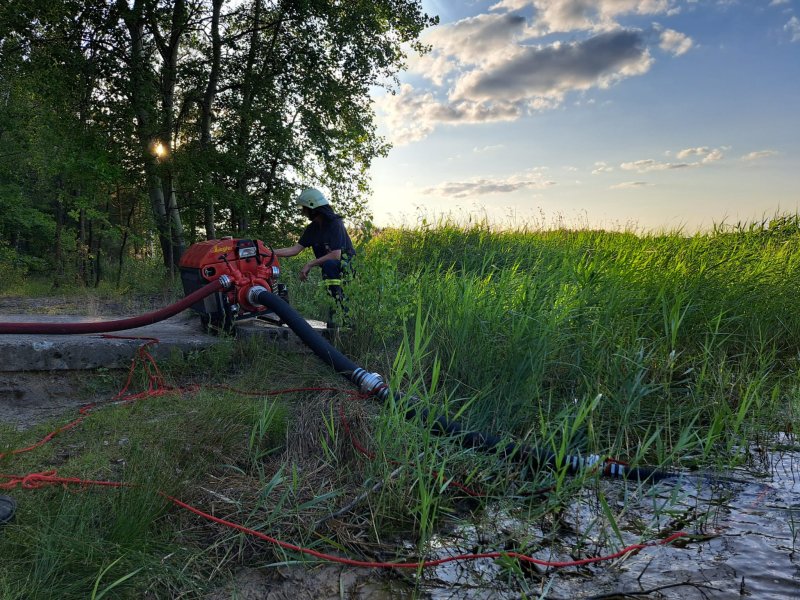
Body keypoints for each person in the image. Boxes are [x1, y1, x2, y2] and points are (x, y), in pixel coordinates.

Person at [274, 188, 355, 325]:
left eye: (304, 209)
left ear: (313, 208)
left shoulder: (335, 224)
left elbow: (336, 255)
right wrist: (270, 252)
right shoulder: (312, 229)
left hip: (345, 268)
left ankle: (345, 325)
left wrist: (310, 263)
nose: (302, 212)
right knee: (332, 295)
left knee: (341, 295)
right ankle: (334, 322)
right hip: (330, 270)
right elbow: (295, 249)